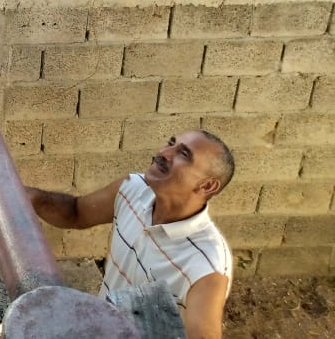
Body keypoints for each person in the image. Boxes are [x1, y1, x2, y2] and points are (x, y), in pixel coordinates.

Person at [25, 129, 235, 339]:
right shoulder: (133, 189)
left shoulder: (207, 266)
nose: (163, 152)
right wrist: (32, 197)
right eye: (170, 143)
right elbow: (76, 212)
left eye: (183, 154)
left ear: (207, 185)